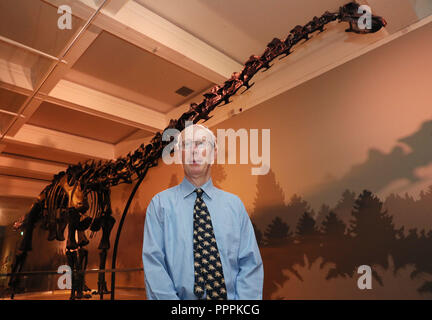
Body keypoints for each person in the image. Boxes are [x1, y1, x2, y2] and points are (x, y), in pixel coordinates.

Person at [142, 124, 263, 300]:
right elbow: (154, 267)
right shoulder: (159, 205)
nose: (193, 151)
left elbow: (250, 265)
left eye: (201, 143)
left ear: (214, 155)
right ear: (179, 156)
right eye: (186, 145)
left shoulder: (235, 206)